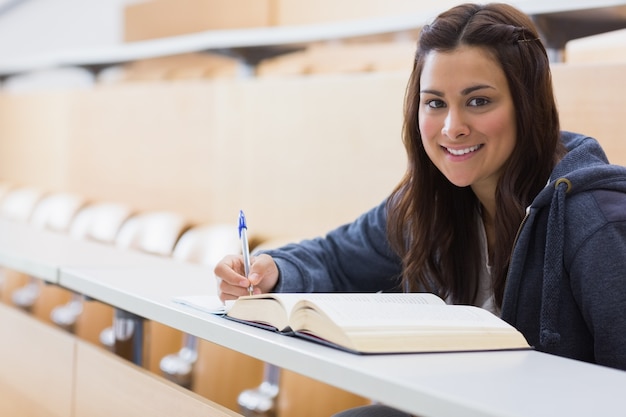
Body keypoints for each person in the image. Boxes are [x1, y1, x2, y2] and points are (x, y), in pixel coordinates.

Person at [216, 2, 626, 415]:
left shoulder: (594, 219)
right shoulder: (427, 202)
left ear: (527, 105)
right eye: (435, 103)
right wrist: (274, 270)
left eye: (479, 101)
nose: (452, 127)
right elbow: (336, 259)